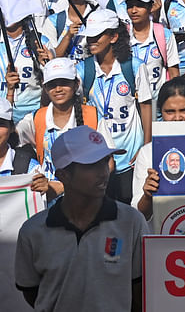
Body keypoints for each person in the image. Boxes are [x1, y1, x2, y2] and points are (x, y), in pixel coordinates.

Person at [15, 126, 147, 311]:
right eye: (91, 165)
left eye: (104, 161)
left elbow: (140, 290)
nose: (103, 172)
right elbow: (31, 292)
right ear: (63, 175)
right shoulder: (32, 232)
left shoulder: (132, 222)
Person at [77, 8, 153, 205]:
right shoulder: (82, 69)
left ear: (113, 37)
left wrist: (145, 147)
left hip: (131, 157)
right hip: (99, 158)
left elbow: (145, 106)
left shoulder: (134, 67)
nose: (91, 40)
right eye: (89, 36)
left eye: (97, 36)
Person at [15, 57, 110, 197]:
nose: (58, 89)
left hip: (86, 197)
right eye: (52, 85)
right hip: (47, 199)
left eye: (64, 83)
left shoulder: (92, 116)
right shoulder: (36, 118)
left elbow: (109, 162)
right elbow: (9, 138)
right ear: (45, 88)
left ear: (76, 84)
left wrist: (65, 187)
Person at [133, 76, 185, 218]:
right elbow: (139, 214)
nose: (177, 118)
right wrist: (148, 195)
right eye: (170, 112)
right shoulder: (148, 153)